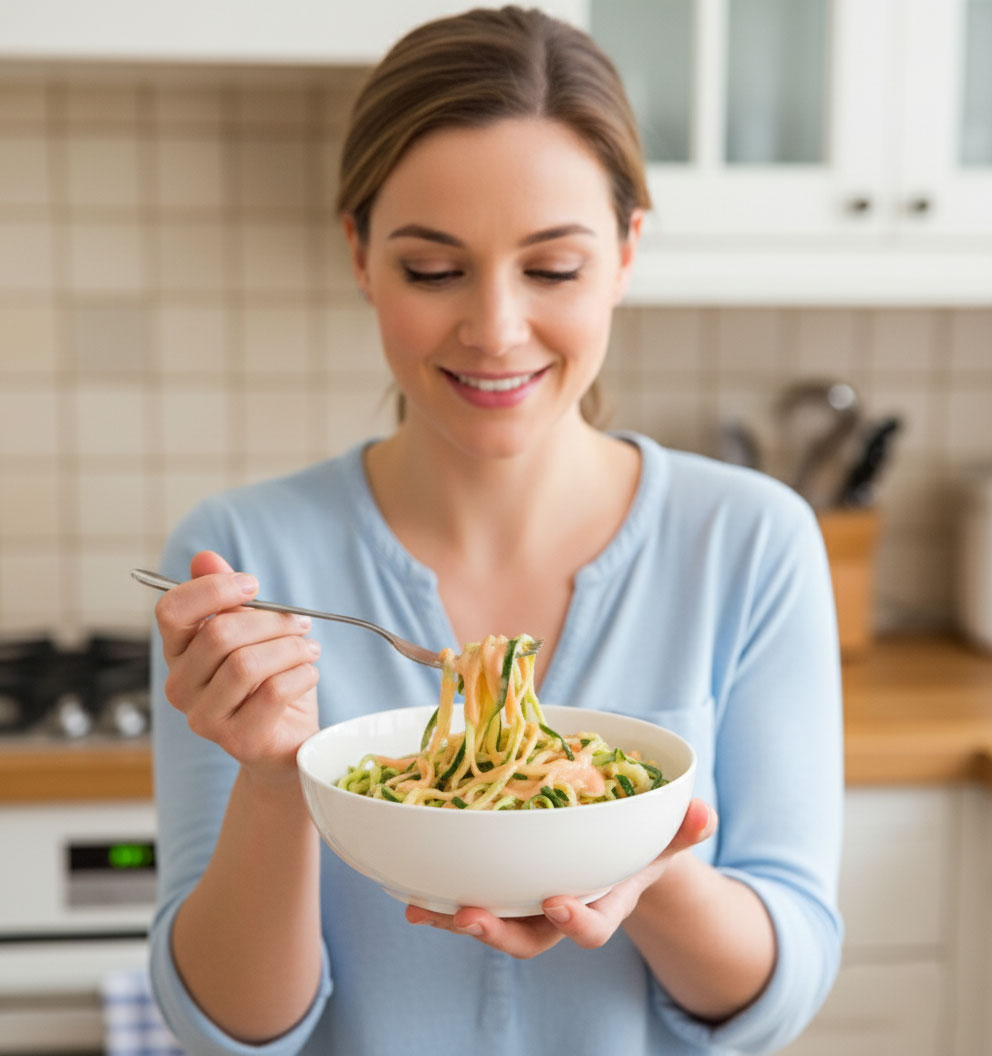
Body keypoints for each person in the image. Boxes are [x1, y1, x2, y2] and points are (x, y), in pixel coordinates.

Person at [147, 7, 844, 1054]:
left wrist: (632, 858)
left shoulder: (749, 539)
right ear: (359, 254)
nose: (496, 329)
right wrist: (269, 779)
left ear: (624, 254)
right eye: (433, 270)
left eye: (552, 269)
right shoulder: (247, 556)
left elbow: (775, 985)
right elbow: (231, 1030)